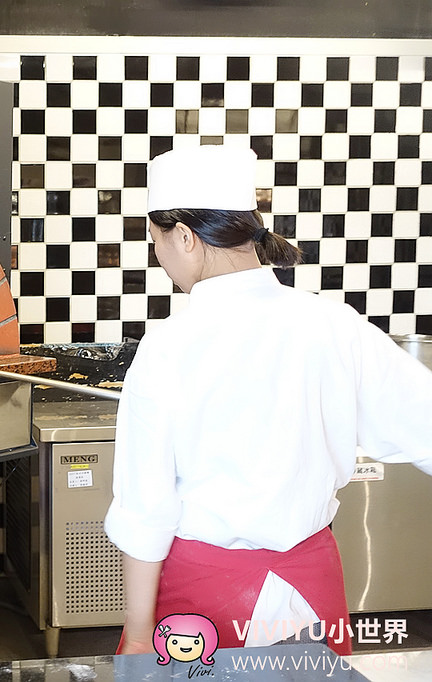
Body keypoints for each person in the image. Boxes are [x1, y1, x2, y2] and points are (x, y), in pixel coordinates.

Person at [103, 144, 432, 658]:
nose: (160, 258)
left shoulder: (170, 344)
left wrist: (140, 631)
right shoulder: (333, 323)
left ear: (184, 237)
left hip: (203, 607)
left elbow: (147, 511)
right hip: (311, 590)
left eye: (156, 242)